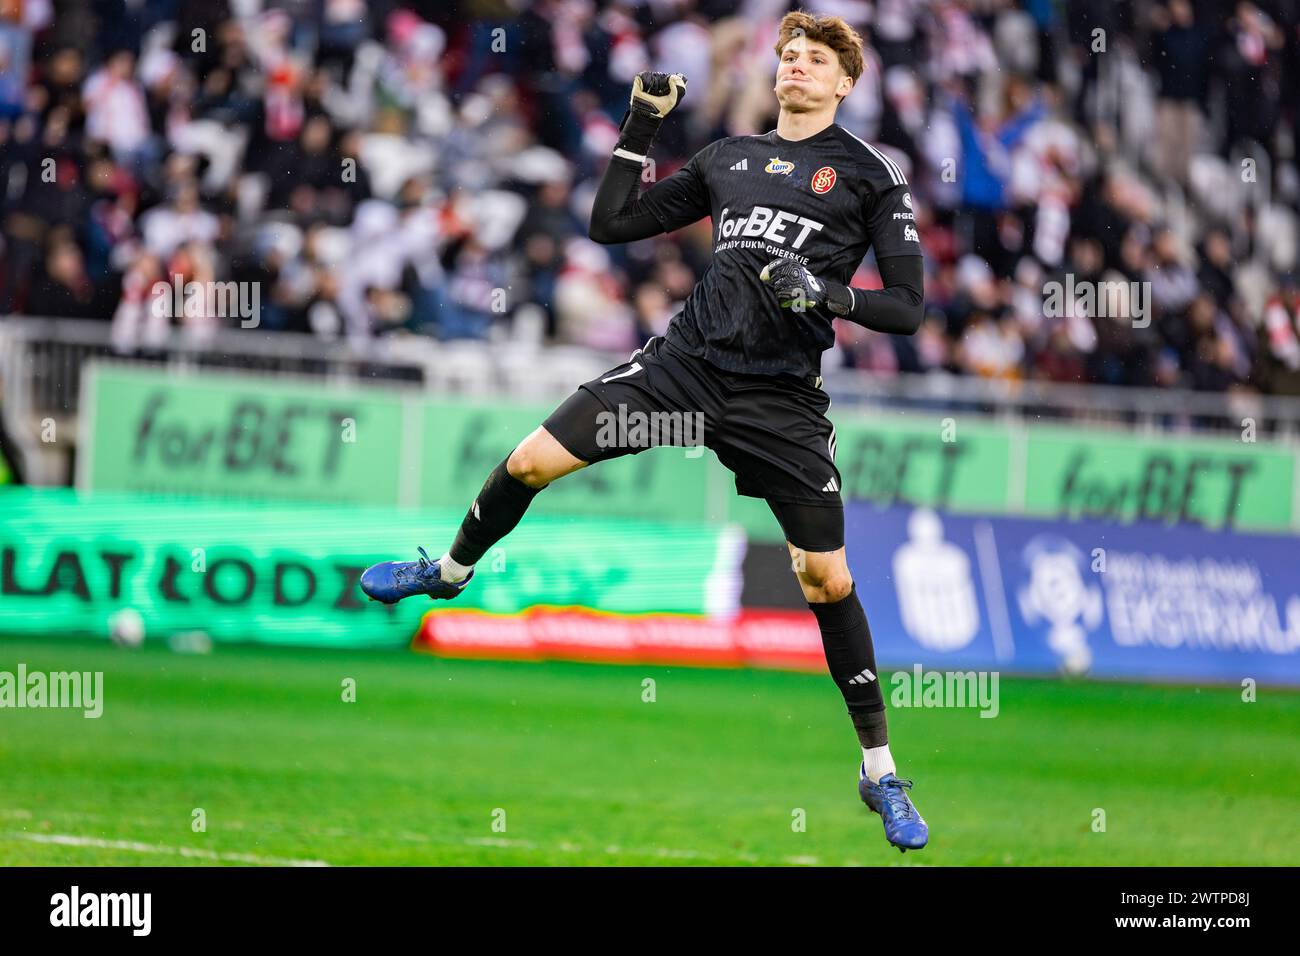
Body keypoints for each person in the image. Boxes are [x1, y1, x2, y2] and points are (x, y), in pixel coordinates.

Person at [360, 11, 928, 852]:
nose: (798, 67)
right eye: (790, 57)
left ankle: (880, 773)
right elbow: (611, 222)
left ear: (846, 83)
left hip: (781, 402)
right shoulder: (729, 158)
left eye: (816, 61)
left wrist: (832, 295)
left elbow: (908, 308)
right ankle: (447, 572)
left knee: (825, 582)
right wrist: (640, 125)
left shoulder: (870, 175)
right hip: (683, 372)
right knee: (530, 459)